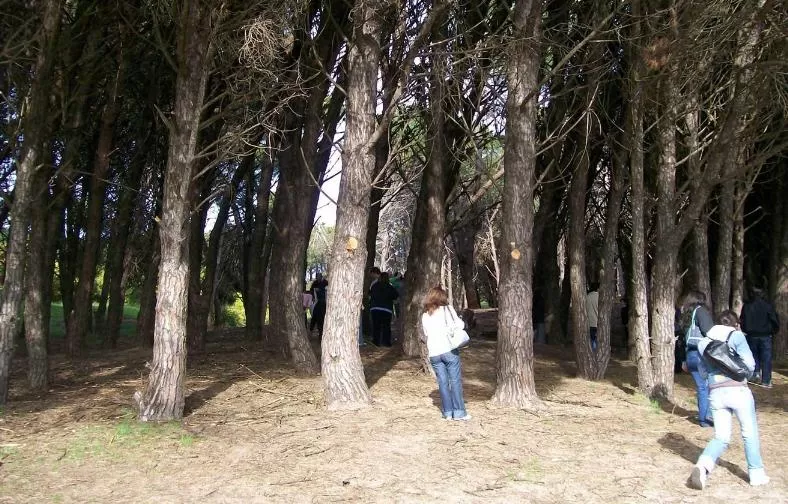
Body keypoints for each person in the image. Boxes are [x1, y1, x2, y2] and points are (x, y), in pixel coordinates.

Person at [688, 310, 769, 489]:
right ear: (735, 323)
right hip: (738, 390)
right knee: (749, 433)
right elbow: (749, 365)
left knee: (721, 436)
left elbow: (702, 371)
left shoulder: (703, 342)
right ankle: (756, 473)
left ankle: (702, 467)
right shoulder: (737, 336)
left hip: (716, 393)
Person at [421, 286, 470, 421]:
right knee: (454, 381)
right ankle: (459, 412)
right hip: (449, 349)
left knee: (442, 382)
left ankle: (447, 412)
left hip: (434, 353)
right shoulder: (447, 309)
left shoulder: (425, 315)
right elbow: (459, 325)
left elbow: (425, 333)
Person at [679, 290, 715, 427]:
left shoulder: (687, 314)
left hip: (690, 355)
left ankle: (703, 418)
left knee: (701, 387)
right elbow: (709, 332)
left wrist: (683, 360)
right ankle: (707, 417)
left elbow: (682, 339)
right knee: (709, 386)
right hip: (702, 355)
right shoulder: (701, 312)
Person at [740, 287, 779, 388]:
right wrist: (773, 331)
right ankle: (766, 381)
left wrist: (745, 330)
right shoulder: (768, 306)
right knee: (766, 358)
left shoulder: (747, 306)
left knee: (753, 355)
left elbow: (742, 320)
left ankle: (755, 374)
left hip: (751, 334)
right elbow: (774, 320)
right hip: (765, 335)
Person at [369, 272, 399, 347]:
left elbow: (370, 294)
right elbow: (395, 296)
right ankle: (386, 342)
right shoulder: (390, 287)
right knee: (386, 326)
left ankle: (376, 342)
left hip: (375, 308)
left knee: (376, 326)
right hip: (386, 309)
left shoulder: (375, 286)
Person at [309, 272, 328, 339]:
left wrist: (321, 290)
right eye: (317, 277)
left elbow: (328, 290)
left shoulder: (326, 282)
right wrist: (313, 295)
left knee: (321, 318)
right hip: (317, 302)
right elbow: (311, 291)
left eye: (319, 277)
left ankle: (321, 334)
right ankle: (311, 330)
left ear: (321, 277)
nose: (318, 279)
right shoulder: (315, 283)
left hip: (324, 303)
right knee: (315, 316)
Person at [586, 283, 599, 351]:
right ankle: (596, 352)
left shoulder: (587, 296)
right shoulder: (600, 297)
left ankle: (592, 352)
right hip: (598, 322)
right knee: (598, 339)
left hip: (589, 322)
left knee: (592, 338)